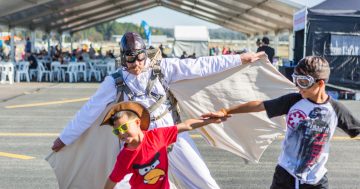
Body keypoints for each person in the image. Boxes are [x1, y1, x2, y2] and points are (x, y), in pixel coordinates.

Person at [51, 32, 265, 189]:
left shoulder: (163, 68)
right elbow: (89, 111)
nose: (136, 63)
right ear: (122, 57)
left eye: (140, 57)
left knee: (203, 182)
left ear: (146, 54)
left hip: (171, 135)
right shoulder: (114, 81)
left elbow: (200, 65)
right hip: (136, 143)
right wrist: (64, 139)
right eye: (130, 58)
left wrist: (239, 58)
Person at [202, 56, 360, 189]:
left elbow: (357, 130)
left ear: (320, 84)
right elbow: (259, 105)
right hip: (285, 176)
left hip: (316, 180)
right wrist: (225, 111)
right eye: (296, 80)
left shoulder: (335, 110)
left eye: (303, 82)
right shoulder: (293, 101)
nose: (298, 87)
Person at [102, 101, 226, 189]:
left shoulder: (157, 136)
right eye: (117, 131)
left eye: (124, 127)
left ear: (138, 122)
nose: (121, 133)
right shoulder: (124, 157)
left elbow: (186, 125)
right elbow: (113, 179)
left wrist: (210, 120)